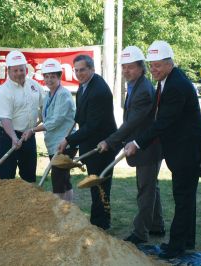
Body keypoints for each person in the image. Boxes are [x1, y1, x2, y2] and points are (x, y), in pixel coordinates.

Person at [124, 40, 201, 259]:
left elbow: (163, 122)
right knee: (185, 198)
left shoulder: (177, 85)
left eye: (158, 65)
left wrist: (137, 143)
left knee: (182, 197)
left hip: (187, 151)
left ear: (170, 63)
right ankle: (187, 240)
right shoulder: (166, 81)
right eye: (151, 65)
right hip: (180, 149)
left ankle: (176, 247)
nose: (154, 70)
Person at [98, 46, 164, 244]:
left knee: (146, 189)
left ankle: (140, 232)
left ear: (141, 68)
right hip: (144, 145)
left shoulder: (143, 90)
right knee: (151, 187)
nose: (127, 71)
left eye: (131, 67)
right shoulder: (135, 85)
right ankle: (157, 225)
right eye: (124, 67)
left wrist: (111, 142)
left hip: (147, 147)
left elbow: (133, 122)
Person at [58, 54, 117, 230]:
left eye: (82, 70)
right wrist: (69, 136)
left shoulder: (98, 90)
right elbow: (80, 116)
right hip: (90, 144)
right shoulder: (84, 85)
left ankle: (102, 223)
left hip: (102, 147)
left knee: (100, 186)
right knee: (94, 184)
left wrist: (68, 139)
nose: (79, 74)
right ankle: (96, 221)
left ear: (92, 69)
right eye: (76, 70)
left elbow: (92, 126)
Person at [0, 50, 44, 183]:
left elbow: (44, 106)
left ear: (26, 69)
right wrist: (14, 137)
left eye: (21, 70)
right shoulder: (4, 91)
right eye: (15, 71)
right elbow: (5, 118)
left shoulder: (34, 86)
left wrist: (36, 126)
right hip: (8, 136)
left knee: (29, 176)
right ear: (8, 71)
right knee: (6, 177)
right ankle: (7, 203)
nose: (19, 73)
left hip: (29, 135)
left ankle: (27, 202)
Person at [30, 58, 76, 201]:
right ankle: (68, 211)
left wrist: (33, 130)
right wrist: (32, 126)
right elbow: (46, 116)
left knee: (58, 180)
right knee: (64, 180)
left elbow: (56, 120)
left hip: (64, 143)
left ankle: (58, 213)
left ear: (59, 77)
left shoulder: (63, 94)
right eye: (46, 76)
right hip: (54, 143)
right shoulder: (48, 95)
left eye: (53, 77)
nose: (49, 80)